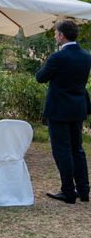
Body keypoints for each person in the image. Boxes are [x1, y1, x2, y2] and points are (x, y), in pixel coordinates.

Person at [36, 19, 91, 204]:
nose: (55, 35)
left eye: (56, 33)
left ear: (62, 35)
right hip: (78, 107)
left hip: (59, 109)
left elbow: (40, 77)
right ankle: (84, 191)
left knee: (62, 150)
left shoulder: (57, 57)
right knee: (77, 149)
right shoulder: (86, 55)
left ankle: (68, 191)